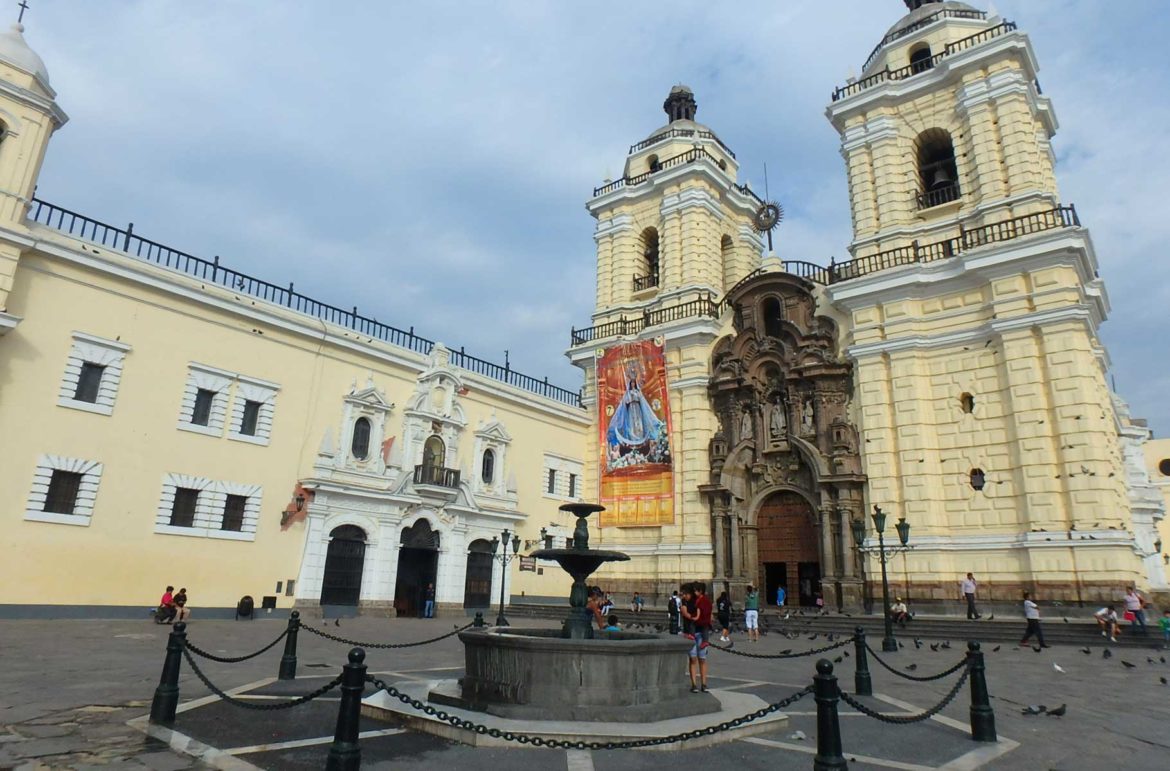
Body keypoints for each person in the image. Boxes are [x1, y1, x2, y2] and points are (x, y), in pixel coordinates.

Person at [679, 583, 711, 693]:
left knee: (702, 659)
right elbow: (684, 613)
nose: (683, 596)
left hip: (701, 632)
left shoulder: (698, 600)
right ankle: (694, 684)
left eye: (685, 594)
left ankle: (704, 684)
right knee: (693, 659)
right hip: (689, 633)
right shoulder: (684, 601)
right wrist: (694, 617)